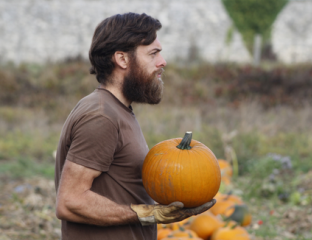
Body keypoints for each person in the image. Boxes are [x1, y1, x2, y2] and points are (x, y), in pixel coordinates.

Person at [54, 12, 216, 240]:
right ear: (122, 59)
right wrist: (147, 213)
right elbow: (70, 202)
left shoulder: (116, 110)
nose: (163, 61)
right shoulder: (101, 116)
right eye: (153, 53)